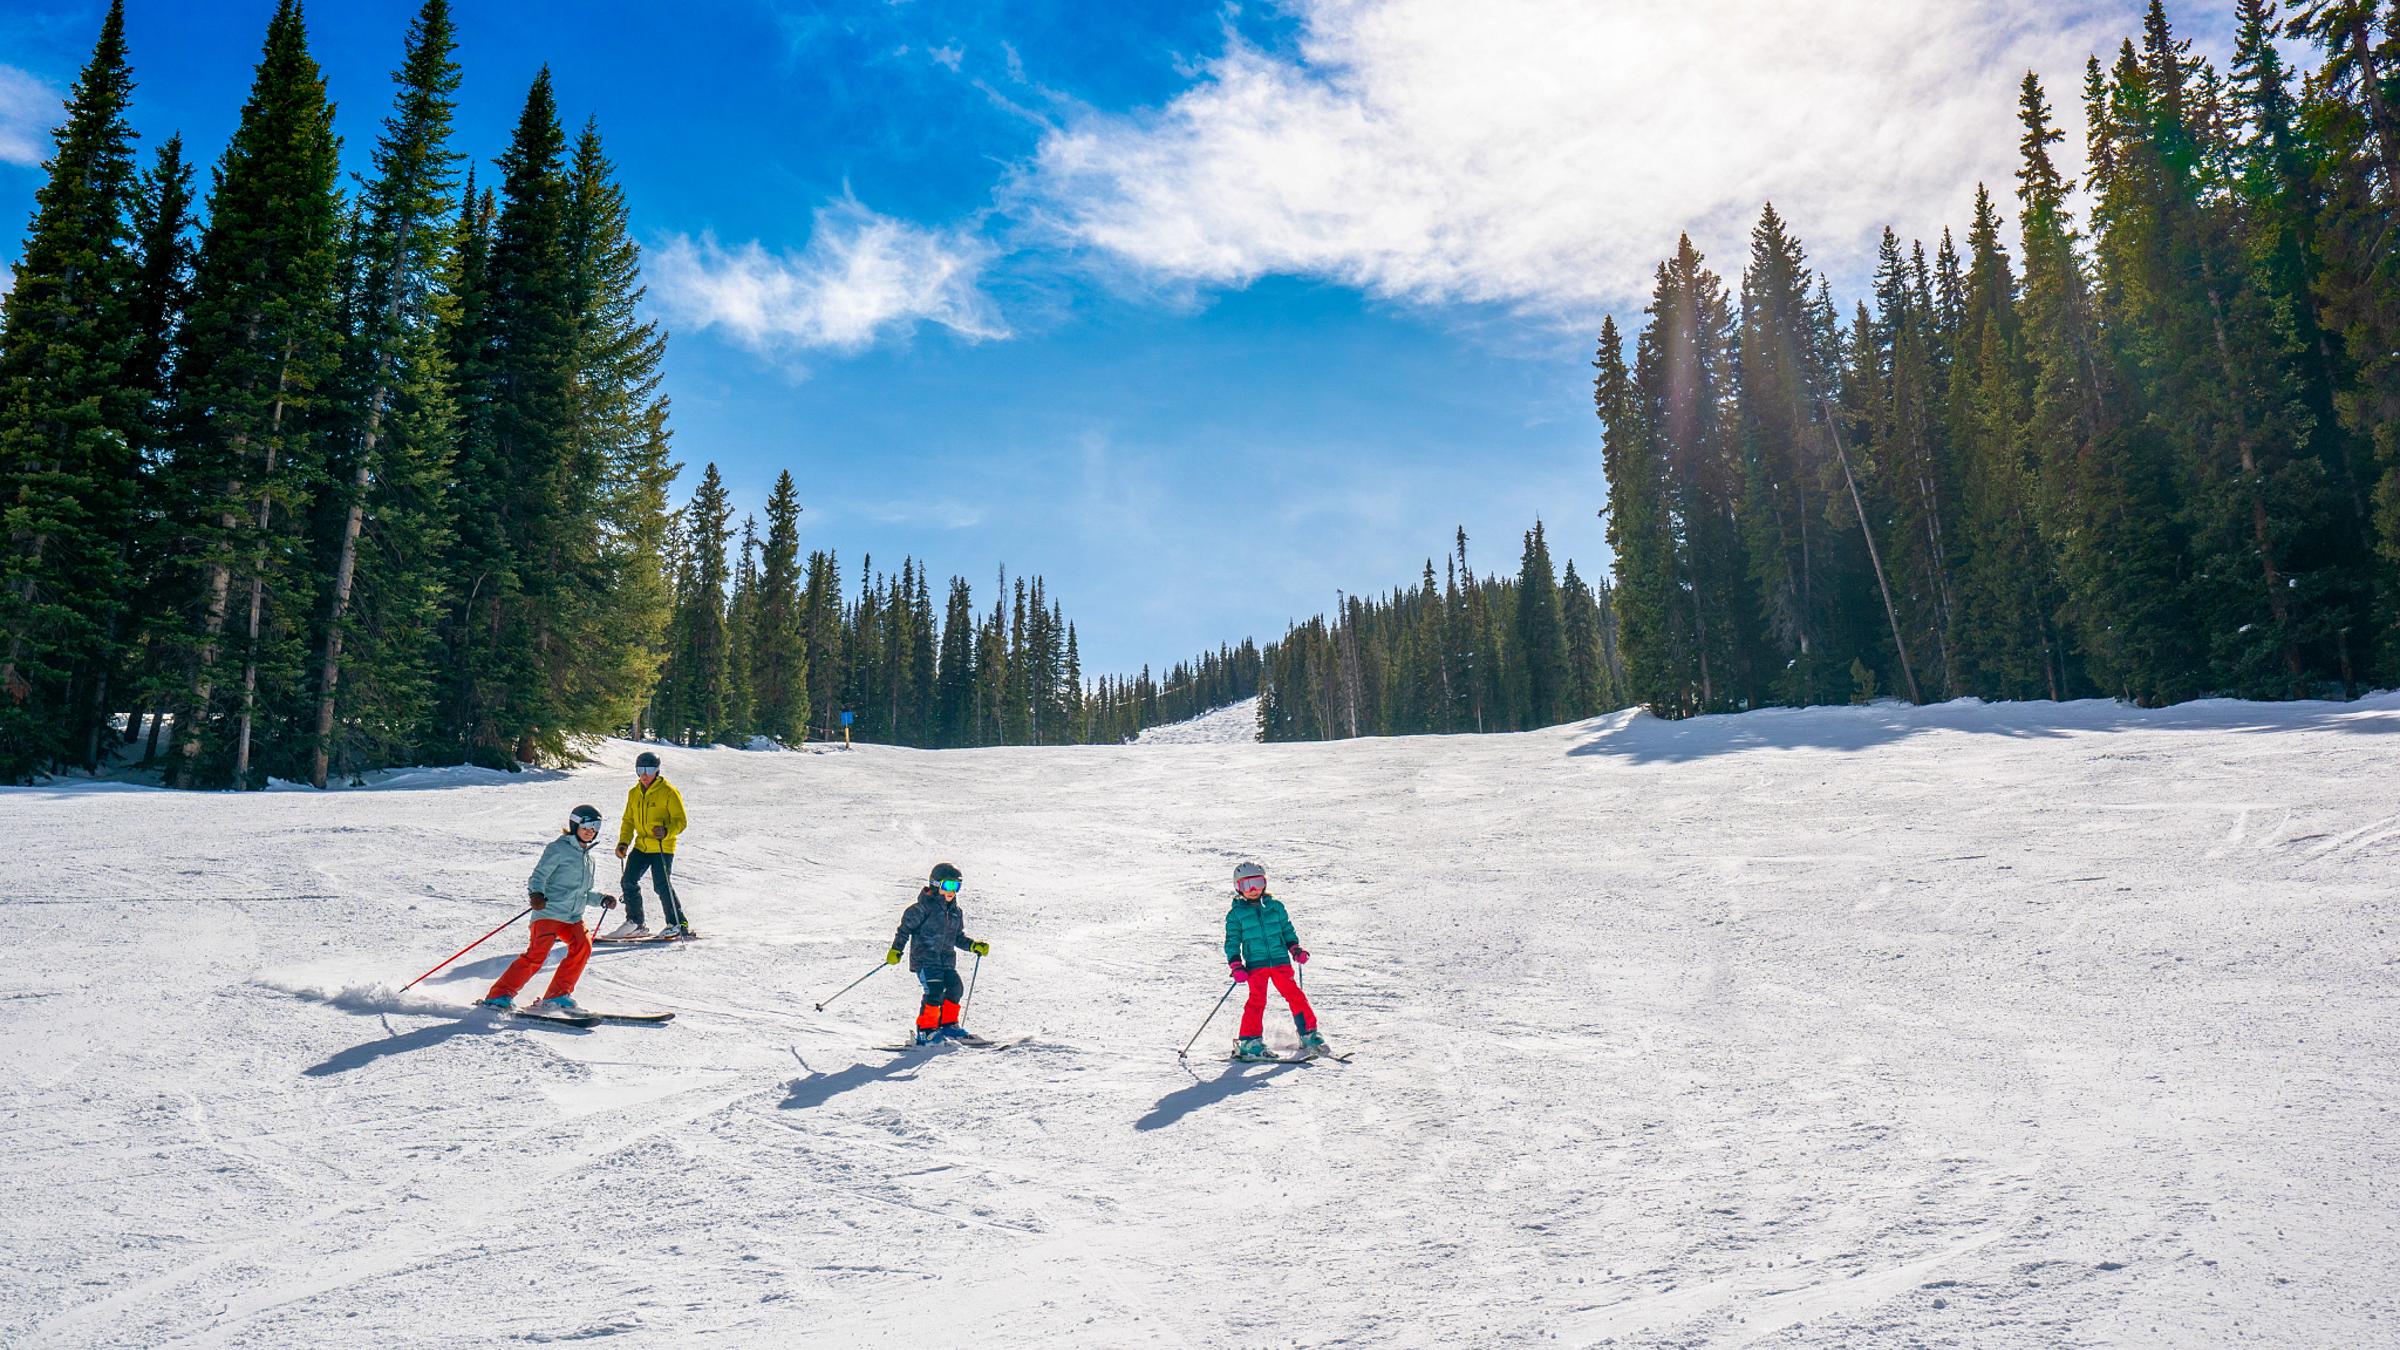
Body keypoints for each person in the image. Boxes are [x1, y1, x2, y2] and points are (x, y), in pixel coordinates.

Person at [479, 805, 619, 1012]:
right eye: (586, 825)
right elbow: (539, 876)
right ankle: (499, 995)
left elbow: (584, 893)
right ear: (575, 825)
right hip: (549, 912)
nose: (591, 830)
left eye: (595, 826)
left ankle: (558, 995)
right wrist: (536, 894)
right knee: (537, 954)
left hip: (573, 917)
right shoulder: (558, 849)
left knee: (583, 946)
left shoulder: (589, 858)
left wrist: (602, 899)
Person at [1224, 861, 1327, 1060]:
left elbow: (1287, 930)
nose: (1253, 890)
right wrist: (1236, 964)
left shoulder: (1276, 907)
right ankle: (1249, 1042)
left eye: (1257, 883)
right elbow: (1232, 941)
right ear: (1238, 887)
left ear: (1265, 883)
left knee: (1296, 996)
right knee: (1257, 1000)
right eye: (1247, 885)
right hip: (1256, 965)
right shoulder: (1236, 914)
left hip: (1280, 961)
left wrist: (1295, 948)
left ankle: (1308, 1033)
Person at [887, 862, 989, 1044]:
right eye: (948, 885)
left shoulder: (956, 912)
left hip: (946, 961)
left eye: (957, 886)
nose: (953, 891)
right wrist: (896, 950)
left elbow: (957, 937)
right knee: (935, 991)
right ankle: (926, 1031)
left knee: (955, 988)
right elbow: (904, 930)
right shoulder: (921, 908)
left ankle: (948, 1025)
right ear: (935, 884)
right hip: (925, 960)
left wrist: (973, 945)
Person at [604, 750, 691, 940]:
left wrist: (666, 831)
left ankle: (678, 923)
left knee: (661, 885)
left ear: (657, 771)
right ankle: (636, 923)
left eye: (649, 770)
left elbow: (680, 821)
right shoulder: (634, 793)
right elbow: (628, 820)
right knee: (628, 881)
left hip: (662, 846)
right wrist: (624, 842)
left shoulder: (668, 792)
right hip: (641, 846)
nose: (644, 775)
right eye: (640, 770)